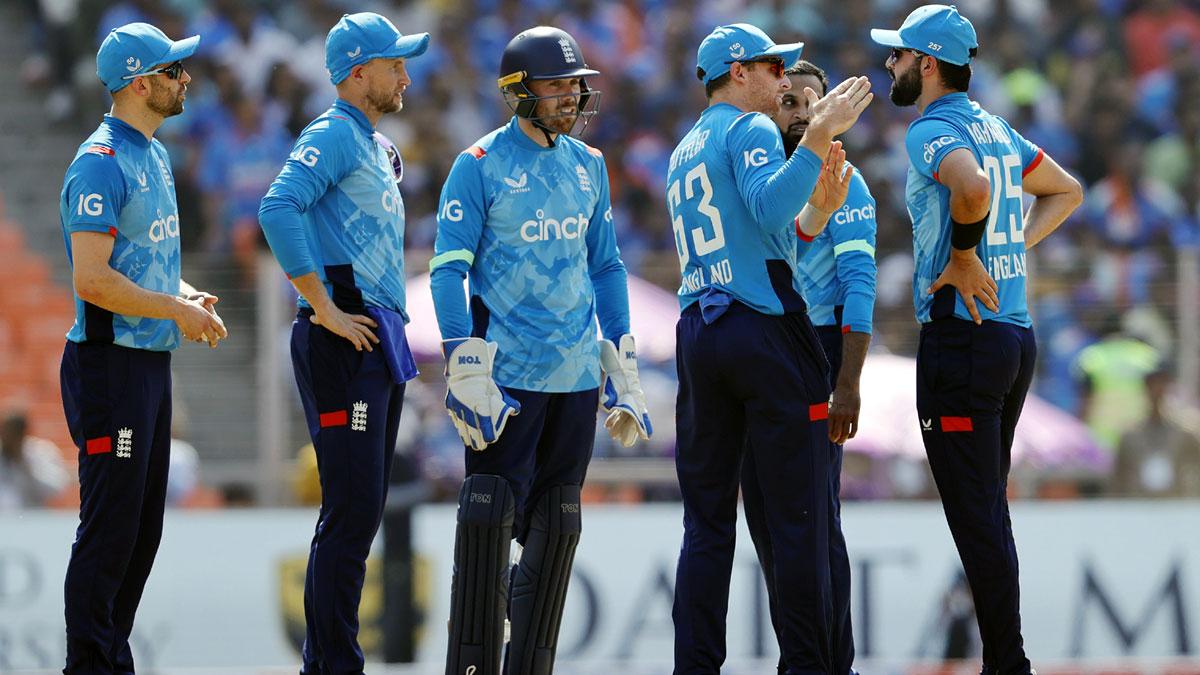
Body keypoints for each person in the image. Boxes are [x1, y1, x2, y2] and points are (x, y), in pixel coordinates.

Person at [430, 25, 651, 675]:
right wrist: (462, 359)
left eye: (576, 85)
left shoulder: (589, 166)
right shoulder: (478, 165)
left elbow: (606, 267)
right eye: (556, 86)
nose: (572, 97)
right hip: (509, 379)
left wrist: (623, 359)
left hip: (577, 375)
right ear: (517, 92)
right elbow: (448, 269)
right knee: (487, 522)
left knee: (557, 526)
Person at [870, 4, 1083, 672]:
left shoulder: (931, 129)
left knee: (977, 516)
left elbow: (971, 187)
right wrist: (1007, 243)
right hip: (1012, 339)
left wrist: (966, 255)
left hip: (964, 341)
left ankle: (1007, 662)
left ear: (927, 63)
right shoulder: (994, 125)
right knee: (986, 507)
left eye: (899, 55)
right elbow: (1066, 191)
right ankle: (1003, 657)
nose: (890, 65)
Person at [668, 22, 871, 674]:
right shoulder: (748, 128)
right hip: (766, 331)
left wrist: (814, 217)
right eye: (772, 67)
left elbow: (767, 235)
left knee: (706, 525)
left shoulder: (683, 149)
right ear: (738, 72)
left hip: (700, 330)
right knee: (800, 519)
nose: (785, 80)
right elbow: (765, 207)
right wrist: (818, 137)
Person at [258, 12, 427, 674]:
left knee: (360, 514)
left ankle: (334, 659)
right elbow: (278, 206)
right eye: (394, 64)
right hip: (343, 334)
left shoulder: (375, 144)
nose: (405, 75)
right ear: (359, 73)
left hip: (373, 334)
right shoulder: (330, 133)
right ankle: (330, 664)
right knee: (350, 514)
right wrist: (322, 304)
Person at [59, 22, 227, 673]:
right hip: (109, 367)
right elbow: (92, 279)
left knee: (140, 534)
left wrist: (187, 294)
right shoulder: (99, 163)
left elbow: (141, 264)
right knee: (110, 532)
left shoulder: (153, 153)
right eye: (173, 70)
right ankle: (89, 663)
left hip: (147, 363)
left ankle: (109, 658)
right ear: (139, 82)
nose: (185, 78)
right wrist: (173, 308)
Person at [741, 58, 878, 675]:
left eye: (811, 104)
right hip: (762, 353)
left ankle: (828, 661)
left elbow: (858, 281)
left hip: (817, 351)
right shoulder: (761, 179)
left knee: (814, 521)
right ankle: (806, 654)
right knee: (769, 521)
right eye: (789, 103)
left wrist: (846, 382)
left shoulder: (842, 178)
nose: (799, 114)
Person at [1111, 362, 1200, 497]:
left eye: (1162, 384)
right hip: (1140, 506)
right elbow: (1119, 477)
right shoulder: (1130, 435)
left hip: (1177, 506)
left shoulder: (1185, 432)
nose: (1157, 390)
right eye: (1152, 385)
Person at [0, 409, 70, 511]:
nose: (8, 437)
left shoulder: (41, 451)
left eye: (13, 432)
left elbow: (58, 487)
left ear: (23, 432)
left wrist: (24, 463)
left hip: (33, 518)